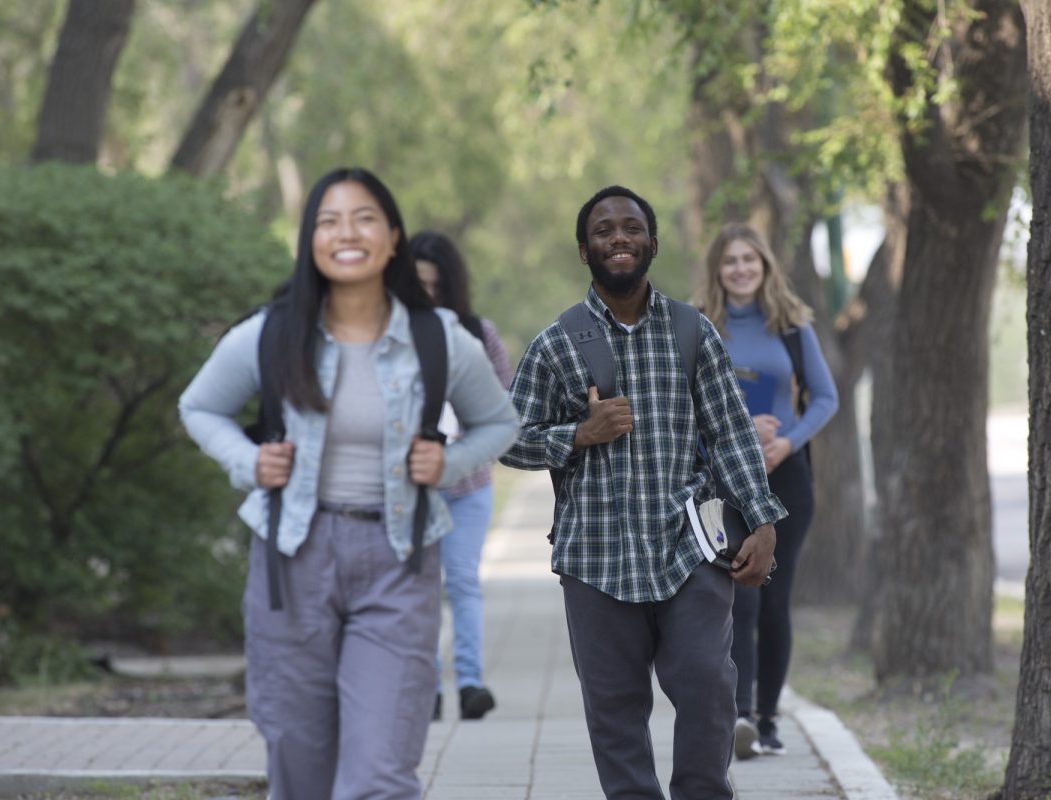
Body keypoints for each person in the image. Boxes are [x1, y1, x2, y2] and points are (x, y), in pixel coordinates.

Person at [178, 167, 518, 800]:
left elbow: (499, 421)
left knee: (380, 776)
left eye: (364, 218)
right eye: (329, 221)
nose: (347, 233)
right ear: (310, 240)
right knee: (301, 773)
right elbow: (200, 408)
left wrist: (447, 464)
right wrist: (248, 462)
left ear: (392, 238)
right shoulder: (274, 332)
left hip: (399, 562)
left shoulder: (435, 337)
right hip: (291, 561)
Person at [500, 185, 786, 800]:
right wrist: (579, 434)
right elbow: (505, 440)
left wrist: (762, 524)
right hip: (596, 558)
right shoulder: (557, 343)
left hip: (689, 549)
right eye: (604, 231)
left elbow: (732, 433)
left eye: (632, 228)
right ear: (585, 251)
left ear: (652, 243)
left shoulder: (692, 332)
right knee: (615, 708)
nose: (619, 239)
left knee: (709, 682)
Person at [697, 222, 839, 759]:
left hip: (785, 479)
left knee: (775, 599)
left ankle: (768, 718)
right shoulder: (698, 327)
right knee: (734, 598)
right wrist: (734, 432)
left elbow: (825, 398)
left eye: (749, 260)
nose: (740, 269)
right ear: (717, 268)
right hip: (720, 480)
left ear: (765, 267)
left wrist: (787, 443)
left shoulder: (792, 326)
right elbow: (681, 405)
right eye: (730, 260)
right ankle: (735, 716)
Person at [411, 230, 514, 721]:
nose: (427, 293)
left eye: (436, 285)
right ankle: (425, 686)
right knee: (421, 586)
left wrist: (465, 447)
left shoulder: (479, 333)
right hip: (410, 488)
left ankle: (470, 683)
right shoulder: (392, 334)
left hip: (469, 484)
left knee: (462, 583)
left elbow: (504, 409)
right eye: (417, 284)